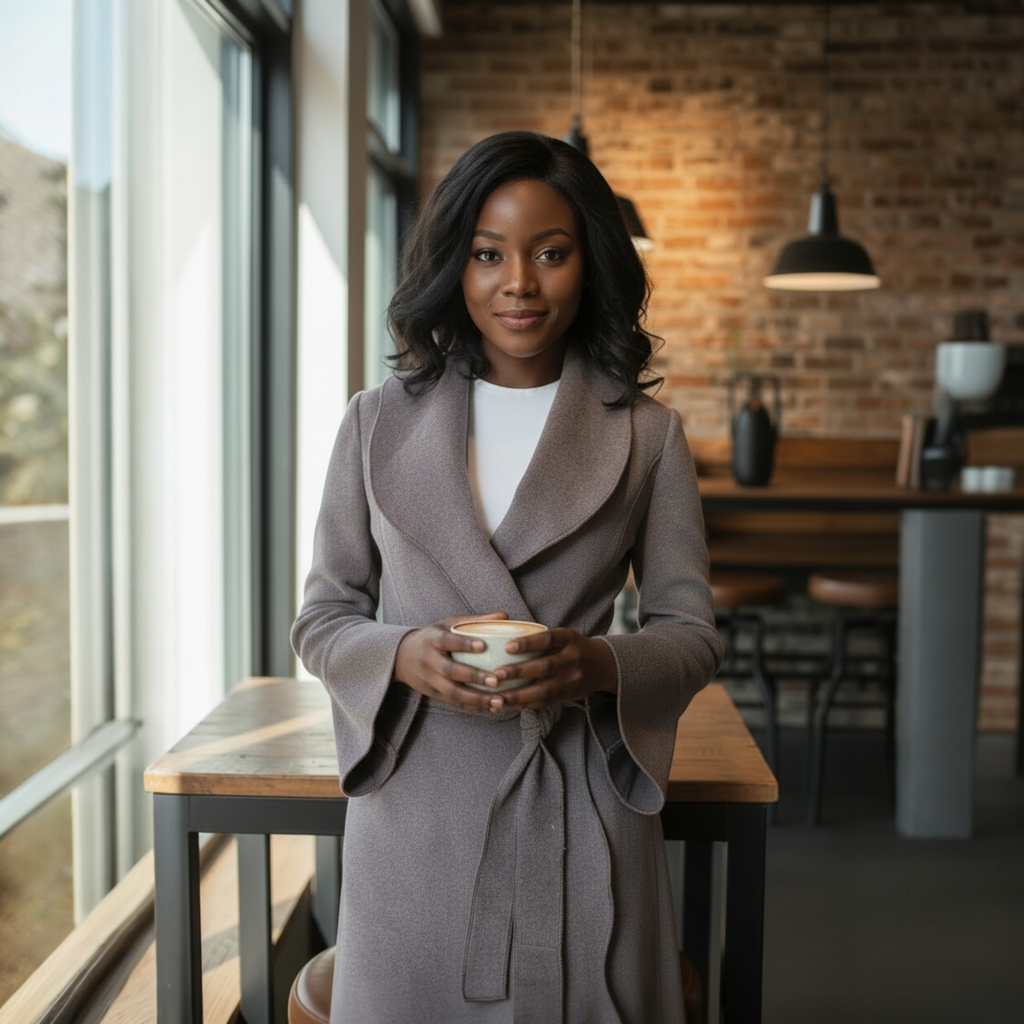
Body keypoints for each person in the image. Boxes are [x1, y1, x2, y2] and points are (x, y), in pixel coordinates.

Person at [291, 130, 723, 1024]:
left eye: (550, 253)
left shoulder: (648, 434)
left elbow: (690, 633)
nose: (517, 282)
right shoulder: (375, 424)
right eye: (488, 254)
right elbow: (323, 615)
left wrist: (597, 667)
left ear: (588, 264)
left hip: (583, 799)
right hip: (417, 814)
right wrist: (404, 654)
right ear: (455, 265)